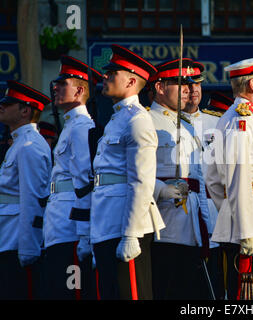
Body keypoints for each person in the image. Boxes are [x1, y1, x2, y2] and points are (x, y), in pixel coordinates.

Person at [91, 44, 164, 300]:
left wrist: (131, 232)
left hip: (125, 224)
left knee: (130, 294)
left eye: (112, 73)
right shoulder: (117, 119)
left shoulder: (137, 120)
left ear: (132, 81)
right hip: (106, 221)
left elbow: (141, 181)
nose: (105, 76)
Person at [205, 54, 253, 300]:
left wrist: (229, 212)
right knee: (244, 299)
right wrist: (246, 230)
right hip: (249, 231)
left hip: (247, 226)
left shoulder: (237, 119)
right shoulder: (241, 121)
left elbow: (215, 182)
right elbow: (237, 180)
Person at [148, 58, 211, 300]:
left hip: (190, 223)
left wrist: (205, 222)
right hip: (163, 223)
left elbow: (198, 180)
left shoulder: (186, 125)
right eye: (179, 82)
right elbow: (135, 173)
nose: (188, 88)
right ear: (160, 87)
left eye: (188, 82)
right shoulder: (147, 121)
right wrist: (160, 189)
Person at [43, 56, 102, 300]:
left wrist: (84, 234)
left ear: (79, 90)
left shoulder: (80, 127)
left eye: (62, 83)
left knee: (72, 293)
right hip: (59, 223)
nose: (55, 87)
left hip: (71, 228)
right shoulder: (70, 125)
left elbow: (84, 184)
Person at [0, 80, 52, 299]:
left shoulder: (30, 145)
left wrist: (29, 246)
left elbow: (33, 199)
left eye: (8, 102)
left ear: (25, 111)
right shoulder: (19, 143)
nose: (1, 106)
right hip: (7, 235)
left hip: (16, 240)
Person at [183, 88, 235, 300]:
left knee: (216, 281)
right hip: (182, 212)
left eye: (198, 83)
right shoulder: (165, 121)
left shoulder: (216, 123)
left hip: (213, 211)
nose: (194, 89)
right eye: (187, 84)